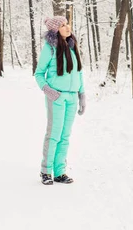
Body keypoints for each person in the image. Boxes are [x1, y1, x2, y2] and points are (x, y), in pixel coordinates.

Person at [34, 16, 86, 185]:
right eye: (62, 25)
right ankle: (46, 171)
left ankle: (59, 172)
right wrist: (48, 90)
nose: (67, 27)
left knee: (65, 136)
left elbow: (79, 72)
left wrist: (81, 95)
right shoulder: (50, 48)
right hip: (56, 97)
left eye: (67, 24)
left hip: (72, 98)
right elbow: (39, 74)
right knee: (54, 134)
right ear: (55, 30)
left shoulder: (72, 47)